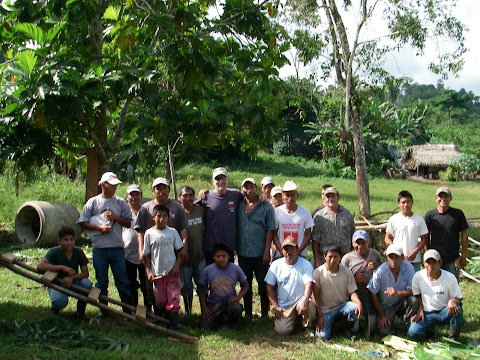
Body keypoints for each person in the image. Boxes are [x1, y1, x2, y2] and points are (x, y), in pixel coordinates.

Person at [78, 171, 132, 316]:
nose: (114, 188)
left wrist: (116, 217)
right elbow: (82, 222)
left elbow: (128, 222)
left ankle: (127, 311)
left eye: (116, 185)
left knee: (122, 280)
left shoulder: (121, 202)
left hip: (117, 248)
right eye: (111, 185)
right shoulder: (93, 202)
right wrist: (99, 228)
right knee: (101, 282)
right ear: (102, 185)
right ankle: (104, 310)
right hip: (99, 249)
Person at [134, 177, 188, 313]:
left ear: (169, 190)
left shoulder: (176, 207)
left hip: (172, 254)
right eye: (158, 188)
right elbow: (140, 231)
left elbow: (183, 229)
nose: (161, 191)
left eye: (164, 188)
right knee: (151, 285)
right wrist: (141, 251)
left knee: (172, 285)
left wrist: (184, 248)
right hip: (152, 255)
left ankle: (172, 314)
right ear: (153, 191)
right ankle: (152, 313)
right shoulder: (146, 208)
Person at [236, 178, 276, 319]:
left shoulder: (266, 207)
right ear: (242, 190)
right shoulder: (239, 205)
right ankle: (247, 313)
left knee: (262, 285)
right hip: (243, 253)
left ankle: (264, 313)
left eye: (251, 187)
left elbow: (270, 229)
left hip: (260, 253)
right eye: (245, 188)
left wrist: (267, 250)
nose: (249, 190)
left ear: (256, 188)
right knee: (245, 284)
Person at [407, 249, 466, 340]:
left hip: (444, 311)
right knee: (413, 332)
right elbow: (417, 295)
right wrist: (420, 310)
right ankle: (428, 334)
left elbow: (458, 297)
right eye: (428, 263)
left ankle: (453, 339)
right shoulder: (418, 276)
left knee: (457, 309)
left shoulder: (449, 277)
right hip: (427, 313)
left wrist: (452, 300)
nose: (430, 266)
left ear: (440, 262)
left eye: (433, 262)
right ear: (424, 263)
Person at [265, 237, 317, 336]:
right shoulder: (276, 265)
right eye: (286, 249)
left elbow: (309, 284)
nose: (289, 252)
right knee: (282, 331)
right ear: (282, 251)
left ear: (297, 249)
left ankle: (309, 327)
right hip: (284, 305)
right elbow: (269, 287)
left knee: (310, 306)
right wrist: (276, 306)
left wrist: (305, 299)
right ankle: (296, 322)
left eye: (291, 249)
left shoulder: (305, 264)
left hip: (300, 301)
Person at [144, 205, 184, 330]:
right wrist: (148, 272)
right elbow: (147, 256)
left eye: (165, 216)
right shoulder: (149, 233)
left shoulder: (172, 232)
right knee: (160, 299)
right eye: (159, 216)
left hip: (172, 273)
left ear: (169, 217)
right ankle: (161, 321)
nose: (162, 219)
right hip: (157, 274)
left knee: (173, 298)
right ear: (153, 217)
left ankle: (173, 325)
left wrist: (177, 266)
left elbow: (180, 253)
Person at [37, 226, 92, 318]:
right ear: (59, 241)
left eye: (71, 239)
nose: (69, 243)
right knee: (60, 302)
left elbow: (85, 273)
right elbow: (40, 266)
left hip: (74, 282)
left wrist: (71, 278)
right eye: (65, 240)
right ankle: (55, 308)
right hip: (57, 283)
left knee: (87, 284)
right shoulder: (54, 251)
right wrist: (62, 268)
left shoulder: (78, 252)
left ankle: (80, 311)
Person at [367, 244, 418, 336]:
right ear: (386, 258)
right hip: (386, 306)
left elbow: (411, 290)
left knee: (414, 300)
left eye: (396, 257)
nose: (393, 260)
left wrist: (397, 293)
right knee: (383, 333)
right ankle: (387, 320)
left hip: (402, 301)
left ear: (402, 257)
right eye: (391, 257)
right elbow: (372, 293)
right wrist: (382, 315)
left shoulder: (409, 268)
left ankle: (407, 325)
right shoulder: (380, 271)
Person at [313, 246, 363, 340]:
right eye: (330, 257)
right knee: (322, 336)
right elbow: (315, 297)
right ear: (324, 257)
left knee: (355, 307)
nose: (332, 260)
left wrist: (359, 303)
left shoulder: (347, 272)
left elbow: (352, 292)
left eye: (335, 257)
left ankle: (346, 327)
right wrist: (319, 317)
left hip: (342, 307)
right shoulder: (318, 273)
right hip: (325, 310)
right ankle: (330, 326)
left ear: (340, 257)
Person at [198, 167, 244, 265]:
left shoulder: (236, 195)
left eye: (223, 178)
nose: (221, 181)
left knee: (229, 278)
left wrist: (261, 196)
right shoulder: (205, 196)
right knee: (212, 278)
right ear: (212, 181)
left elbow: (250, 198)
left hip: (229, 247)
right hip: (211, 248)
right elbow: (189, 207)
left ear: (228, 180)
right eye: (217, 179)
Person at [198, 243, 249, 330]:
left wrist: (237, 297)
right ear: (213, 257)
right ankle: (221, 319)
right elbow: (201, 289)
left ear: (228, 256)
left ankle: (232, 322)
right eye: (218, 256)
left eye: (223, 256)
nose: (221, 259)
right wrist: (204, 308)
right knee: (204, 327)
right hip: (214, 303)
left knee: (236, 308)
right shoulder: (208, 270)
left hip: (229, 302)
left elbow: (246, 285)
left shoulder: (235, 269)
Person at [424, 186, 469, 281]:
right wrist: (428, 254)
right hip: (435, 258)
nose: (443, 199)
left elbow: (464, 235)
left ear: (450, 198)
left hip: (453, 258)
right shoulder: (430, 215)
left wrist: (463, 255)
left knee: (453, 285)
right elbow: (426, 236)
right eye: (440, 196)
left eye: (446, 196)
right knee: (436, 284)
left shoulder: (458, 214)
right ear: (436, 198)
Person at [341, 230, 381, 331]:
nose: (360, 246)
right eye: (357, 243)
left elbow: (384, 272)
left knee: (370, 328)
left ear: (368, 242)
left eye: (363, 242)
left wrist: (377, 266)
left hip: (371, 296)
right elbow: (341, 279)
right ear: (353, 243)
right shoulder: (347, 258)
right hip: (354, 294)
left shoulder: (375, 255)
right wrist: (354, 279)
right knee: (355, 329)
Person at [178, 186, 206, 315]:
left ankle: (204, 311)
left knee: (203, 285)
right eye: (184, 195)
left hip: (200, 256)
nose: (188, 198)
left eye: (190, 195)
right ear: (179, 198)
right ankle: (188, 312)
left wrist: (205, 191)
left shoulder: (200, 210)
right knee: (186, 287)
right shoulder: (177, 213)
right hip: (184, 259)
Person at [385, 190, 428, 272]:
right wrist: (396, 249)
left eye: (408, 202)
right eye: (403, 202)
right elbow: (387, 238)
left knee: (414, 283)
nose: (406, 205)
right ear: (398, 204)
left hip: (414, 260)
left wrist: (415, 251)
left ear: (412, 203)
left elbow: (424, 239)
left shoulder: (419, 219)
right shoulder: (394, 219)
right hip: (397, 260)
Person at [312, 187, 355, 268]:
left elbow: (352, 236)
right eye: (328, 197)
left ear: (338, 197)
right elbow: (315, 240)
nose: (330, 199)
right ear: (324, 198)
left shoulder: (347, 214)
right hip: (325, 259)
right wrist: (316, 259)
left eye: (333, 196)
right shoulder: (319, 216)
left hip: (345, 258)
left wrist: (353, 257)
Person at [273, 180, 314, 260]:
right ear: (282, 196)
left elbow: (308, 235)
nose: (290, 198)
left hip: (300, 254)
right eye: (287, 195)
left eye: (292, 195)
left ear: (297, 195)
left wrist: (298, 251)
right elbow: (274, 235)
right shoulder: (277, 212)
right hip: (281, 255)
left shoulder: (305, 212)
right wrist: (282, 251)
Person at [122, 184, 147, 308]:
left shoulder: (146, 210)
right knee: (130, 283)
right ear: (126, 197)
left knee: (146, 283)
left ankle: (148, 309)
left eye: (137, 194)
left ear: (141, 196)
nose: (134, 197)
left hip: (145, 253)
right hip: (127, 253)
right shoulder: (123, 212)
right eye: (131, 195)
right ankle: (132, 308)